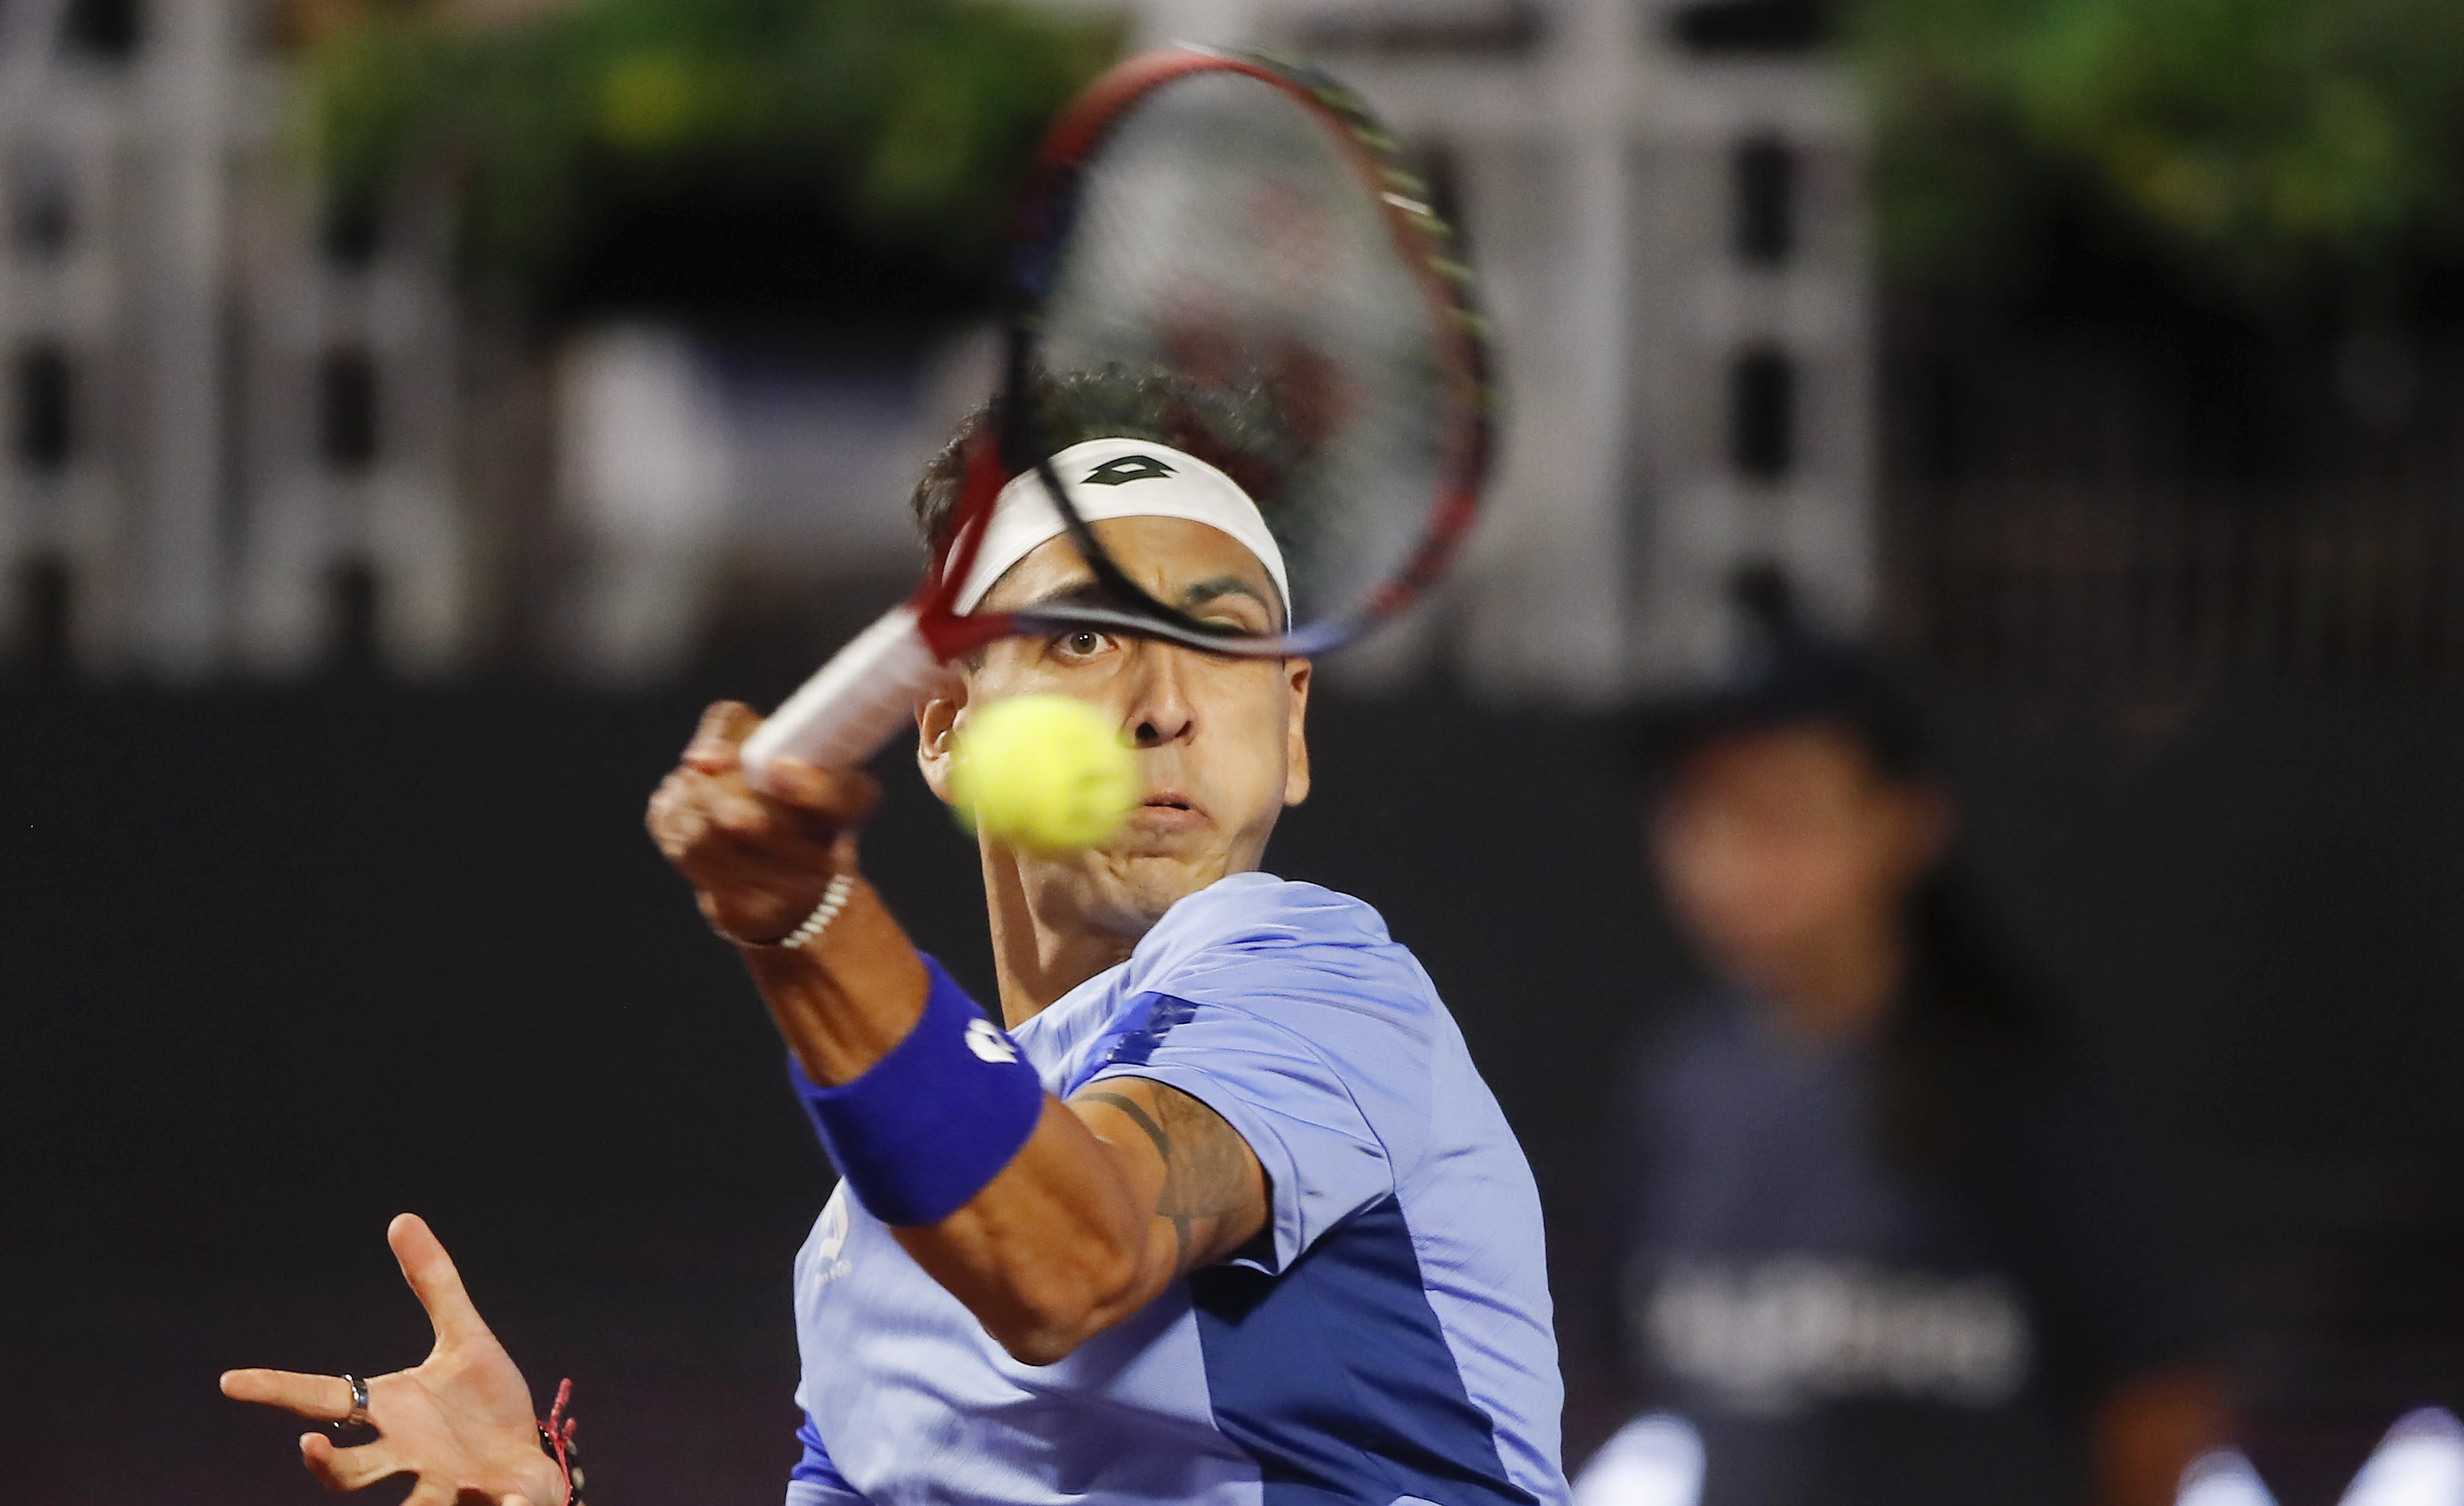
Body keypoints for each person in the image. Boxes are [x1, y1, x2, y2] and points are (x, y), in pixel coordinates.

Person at [219, 379, 1569, 1506]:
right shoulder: (867, 1245)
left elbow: (1071, 1257)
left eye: (1218, 643)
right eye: (1088, 632)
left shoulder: (1322, 980)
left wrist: (808, 918)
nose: (1163, 703)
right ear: (943, 727)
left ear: (1291, 727)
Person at [1604, 608, 2226, 1506]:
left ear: (1907, 822)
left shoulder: (2020, 1092)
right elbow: (1632, 1374)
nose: (1730, 854)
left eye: (1779, 807)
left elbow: (2158, 1392)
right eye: (1696, 809)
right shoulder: (1678, 1092)